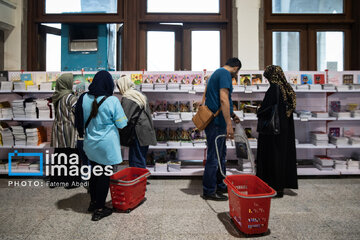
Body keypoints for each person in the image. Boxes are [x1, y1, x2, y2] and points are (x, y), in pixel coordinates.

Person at [75, 70, 128, 221]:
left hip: (89, 143)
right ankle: (100, 208)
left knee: (94, 172)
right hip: (106, 145)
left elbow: (78, 120)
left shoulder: (83, 97)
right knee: (104, 175)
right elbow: (122, 124)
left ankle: (93, 202)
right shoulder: (112, 101)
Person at [202, 58, 242, 201]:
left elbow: (220, 101)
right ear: (236, 68)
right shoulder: (225, 74)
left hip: (215, 121)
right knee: (214, 156)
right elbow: (224, 99)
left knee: (220, 154)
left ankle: (220, 184)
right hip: (217, 123)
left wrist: (232, 114)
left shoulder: (217, 73)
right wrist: (229, 125)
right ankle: (209, 191)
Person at [256, 65, 298, 198]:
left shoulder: (274, 88)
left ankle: (272, 186)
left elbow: (266, 109)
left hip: (272, 131)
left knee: (272, 157)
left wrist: (258, 109)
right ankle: (280, 186)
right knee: (281, 157)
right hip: (284, 129)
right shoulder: (287, 88)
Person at [116, 75, 157, 169]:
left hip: (137, 133)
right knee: (141, 157)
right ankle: (140, 179)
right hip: (145, 132)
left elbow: (125, 117)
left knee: (136, 160)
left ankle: (138, 181)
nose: (119, 90)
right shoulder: (139, 95)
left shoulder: (128, 97)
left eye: (119, 87)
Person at [50, 73, 80, 188]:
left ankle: (56, 180)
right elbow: (78, 111)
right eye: (71, 81)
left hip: (59, 129)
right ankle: (72, 182)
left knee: (59, 155)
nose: (72, 83)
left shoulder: (57, 96)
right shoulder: (70, 97)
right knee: (72, 156)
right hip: (69, 130)